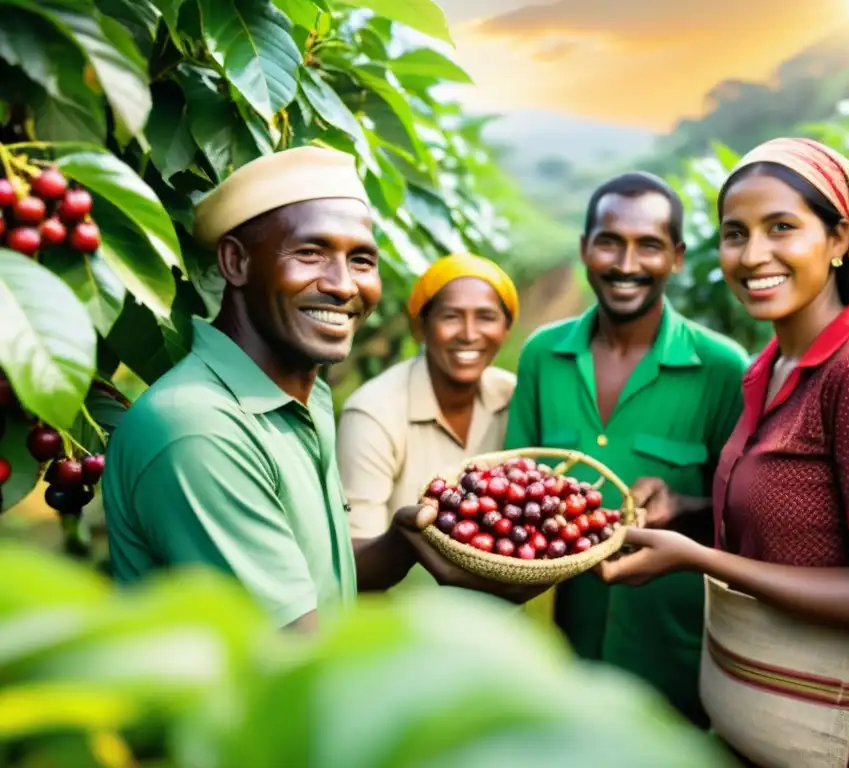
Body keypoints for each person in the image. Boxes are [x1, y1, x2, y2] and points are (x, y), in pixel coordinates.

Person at [598, 138, 849, 767]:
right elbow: (795, 526)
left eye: (781, 227)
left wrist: (698, 560)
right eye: (736, 234)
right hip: (771, 720)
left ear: (840, 238)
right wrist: (681, 510)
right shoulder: (771, 366)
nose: (753, 254)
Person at [103, 147, 538, 633]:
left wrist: (403, 543)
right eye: (310, 253)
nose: (342, 285)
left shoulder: (300, 399)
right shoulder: (199, 429)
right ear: (236, 261)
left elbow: (324, 582)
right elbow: (294, 659)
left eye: (361, 260)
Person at [504, 171, 750, 723]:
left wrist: (684, 511)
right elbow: (516, 490)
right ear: (584, 248)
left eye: (649, 246)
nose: (625, 264)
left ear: (678, 258)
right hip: (562, 658)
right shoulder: (543, 356)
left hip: (677, 664)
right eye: (610, 242)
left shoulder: (723, 368)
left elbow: (748, 520)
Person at [336, 252, 517, 594]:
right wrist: (405, 540)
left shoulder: (514, 397)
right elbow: (352, 563)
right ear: (420, 326)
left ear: (506, 328)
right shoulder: (373, 413)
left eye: (486, 317)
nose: (468, 333)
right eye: (450, 316)